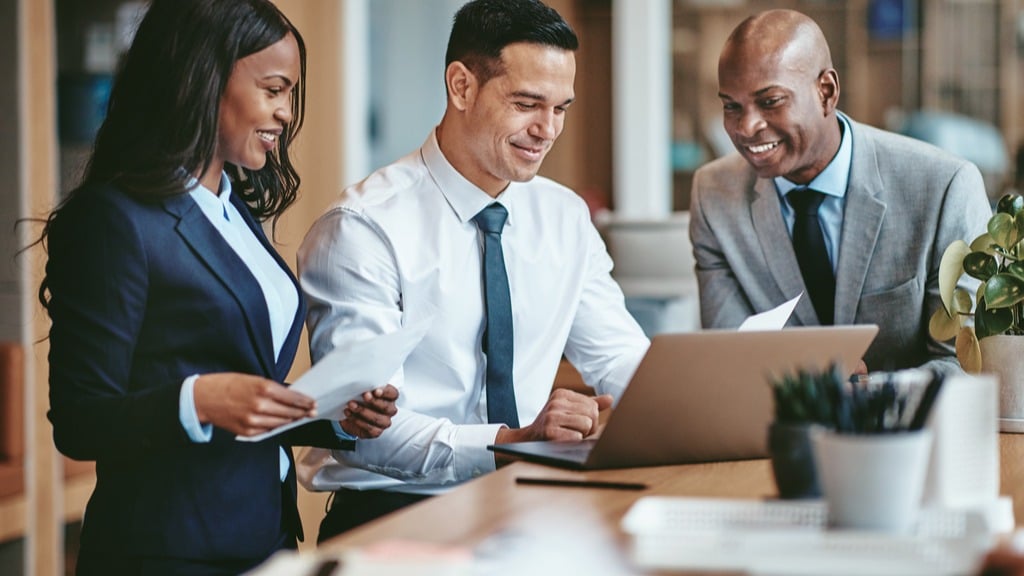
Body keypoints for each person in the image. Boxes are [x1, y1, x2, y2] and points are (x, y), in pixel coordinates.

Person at [37, 1, 398, 573]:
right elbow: (81, 419)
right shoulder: (116, 220)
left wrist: (330, 411)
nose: (286, 113)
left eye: (290, 94)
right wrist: (199, 398)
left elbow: (239, 381)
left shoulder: (230, 210)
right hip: (168, 553)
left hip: (265, 534)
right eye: (274, 89)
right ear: (203, 78)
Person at [297, 0, 650, 542]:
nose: (547, 129)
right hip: (395, 522)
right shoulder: (363, 229)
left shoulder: (564, 216)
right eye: (528, 103)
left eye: (561, 108)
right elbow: (369, 433)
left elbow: (619, 356)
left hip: (532, 511)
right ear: (461, 87)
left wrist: (686, 410)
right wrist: (514, 440)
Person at [689, 9, 991, 373]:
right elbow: (730, 359)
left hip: (909, 427)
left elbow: (964, 365)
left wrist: (868, 394)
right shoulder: (713, 195)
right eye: (731, 106)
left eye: (770, 101)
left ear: (826, 92)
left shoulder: (944, 187)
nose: (746, 126)